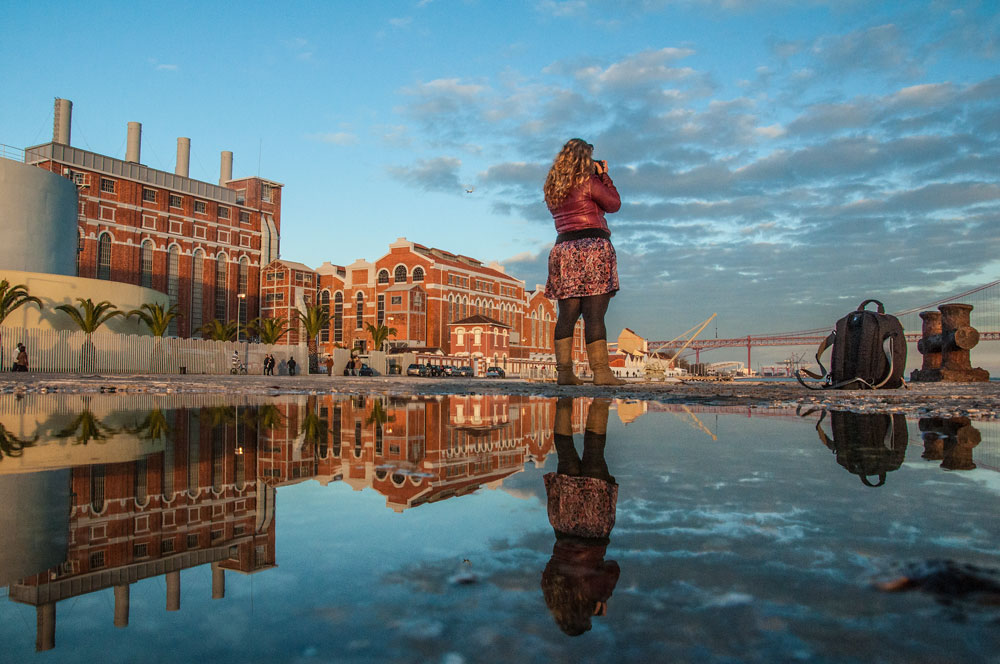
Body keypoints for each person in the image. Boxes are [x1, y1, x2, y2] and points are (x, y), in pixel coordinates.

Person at [543, 138, 625, 386]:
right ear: (583, 159)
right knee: (594, 314)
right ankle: (601, 373)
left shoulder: (553, 188)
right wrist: (603, 176)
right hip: (592, 247)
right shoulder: (589, 182)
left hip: (564, 249)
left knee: (567, 314)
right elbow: (614, 204)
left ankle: (564, 373)